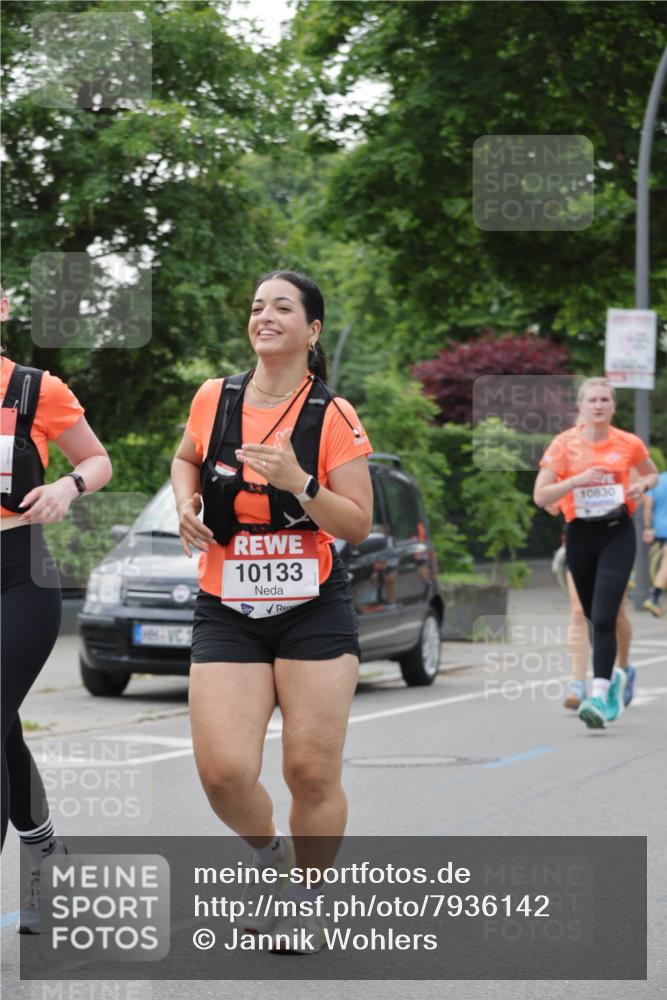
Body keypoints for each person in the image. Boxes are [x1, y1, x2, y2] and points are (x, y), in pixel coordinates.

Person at [171, 270, 373, 953]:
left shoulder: (333, 415)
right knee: (223, 770)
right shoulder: (214, 398)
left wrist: (299, 482)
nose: (265, 315)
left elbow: (355, 524)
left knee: (310, 771)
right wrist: (183, 504)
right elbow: (184, 459)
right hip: (226, 602)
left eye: (282, 307)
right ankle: (272, 862)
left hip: (311, 606)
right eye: (257, 306)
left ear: (311, 330)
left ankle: (309, 898)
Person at [0, 290, 113, 932]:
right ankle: (45, 850)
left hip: (21, 576)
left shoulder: (35, 390)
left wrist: (69, 486)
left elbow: (96, 460)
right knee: (3, 728)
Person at [534, 377, 658, 729]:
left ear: (613, 406)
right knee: (588, 615)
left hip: (617, 532)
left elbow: (651, 476)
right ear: (582, 406)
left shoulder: (628, 443)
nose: (599, 405)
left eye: (605, 399)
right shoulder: (564, 445)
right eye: (593, 400)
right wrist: (576, 481)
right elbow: (541, 496)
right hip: (579, 535)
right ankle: (615, 679)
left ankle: (599, 695)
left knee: (604, 616)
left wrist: (641, 485)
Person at [642, 468, 667, 617]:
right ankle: (654, 597)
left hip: (659, 529)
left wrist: (647, 527)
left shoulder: (657, 479)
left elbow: (648, 506)